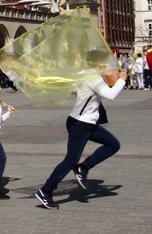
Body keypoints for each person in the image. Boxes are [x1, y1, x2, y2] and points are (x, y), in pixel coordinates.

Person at [35, 50, 128, 209]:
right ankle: (46, 190)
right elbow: (110, 95)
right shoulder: (93, 78)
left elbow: (74, 89)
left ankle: (83, 167)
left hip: (85, 123)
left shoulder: (85, 74)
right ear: (99, 64)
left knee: (113, 144)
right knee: (70, 159)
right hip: (81, 124)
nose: (106, 65)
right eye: (104, 63)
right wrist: (122, 80)